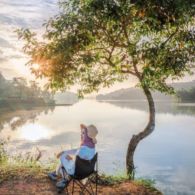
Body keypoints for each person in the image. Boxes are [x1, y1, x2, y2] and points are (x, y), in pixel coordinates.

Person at [48, 124, 98, 189]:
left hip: (76, 173)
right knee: (64, 155)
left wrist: (69, 157)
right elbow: (77, 152)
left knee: (63, 157)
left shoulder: (82, 149)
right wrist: (64, 151)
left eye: (83, 133)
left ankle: (64, 179)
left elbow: (76, 159)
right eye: (81, 133)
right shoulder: (92, 147)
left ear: (88, 136)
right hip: (88, 171)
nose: (81, 135)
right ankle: (56, 173)